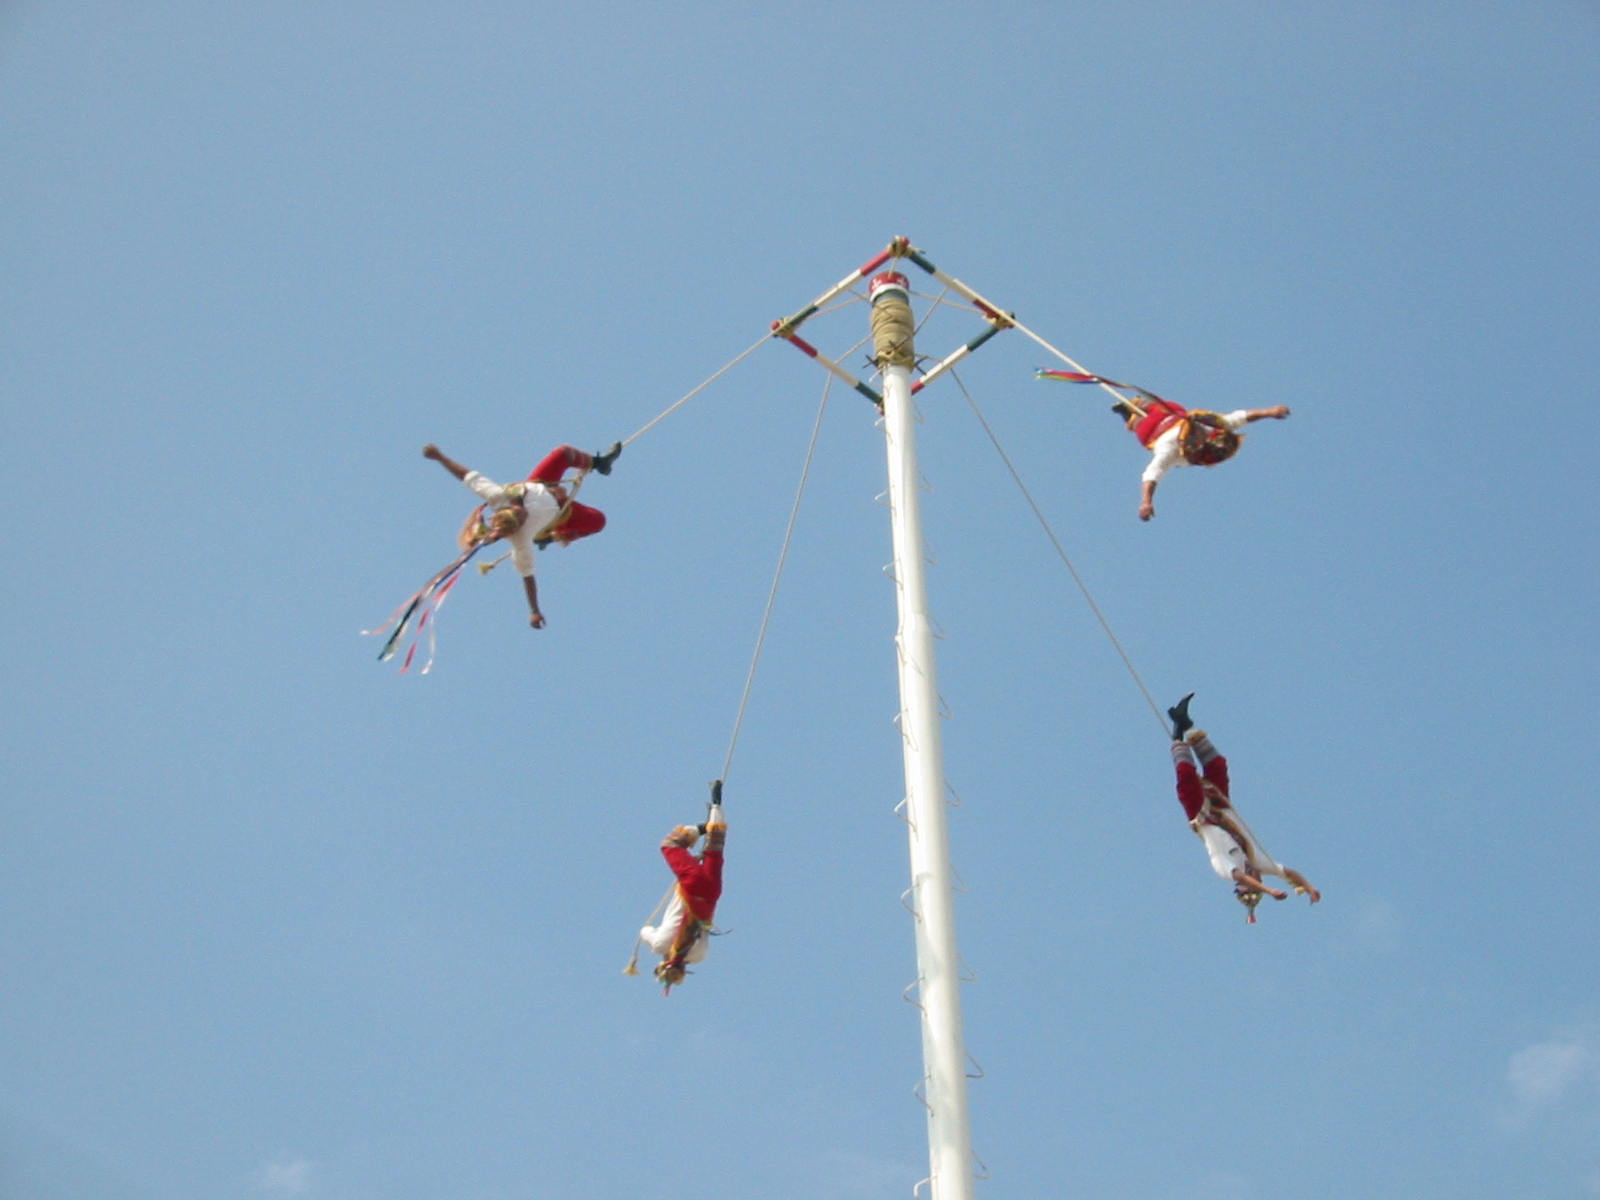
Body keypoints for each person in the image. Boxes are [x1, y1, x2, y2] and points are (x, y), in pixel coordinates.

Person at [421, 441, 620, 629]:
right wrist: (534, 611)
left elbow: (466, 476)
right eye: (521, 522)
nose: (524, 518)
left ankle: (600, 463)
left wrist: (439, 457)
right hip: (559, 514)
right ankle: (550, 536)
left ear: (512, 508)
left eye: (520, 515)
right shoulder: (521, 539)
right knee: (598, 521)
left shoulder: (498, 497)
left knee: (564, 453)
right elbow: (528, 576)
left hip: (541, 484)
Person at [1166, 693, 1320, 921]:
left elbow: (1242, 877)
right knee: (1217, 765)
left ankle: (1178, 733)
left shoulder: (1225, 869)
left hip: (1201, 813)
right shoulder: (1259, 861)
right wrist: (1308, 886)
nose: (1253, 879)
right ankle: (1185, 724)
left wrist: (1268, 892)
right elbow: (1288, 873)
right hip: (1221, 804)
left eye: (1249, 885)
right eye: (1257, 884)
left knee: (1187, 775)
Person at [1110, 397, 1290, 521]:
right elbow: (1239, 418)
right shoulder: (1209, 427)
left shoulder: (1171, 450)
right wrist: (1270, 412)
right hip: (1172, 415)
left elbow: (1152, 474)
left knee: (1139, 418)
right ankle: (1134, 405)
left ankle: (1127, 412)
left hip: (1155, 432)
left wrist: (1146, 502)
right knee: (1153, 407)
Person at [637, 781, 726, 992]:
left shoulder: (699, 956)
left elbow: (702, 932)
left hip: (711, 894)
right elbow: (644, 931)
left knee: (716, 847)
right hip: (691, 887)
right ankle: (702, 827)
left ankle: (716, 809)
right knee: (670, 845)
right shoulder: (660, 945)